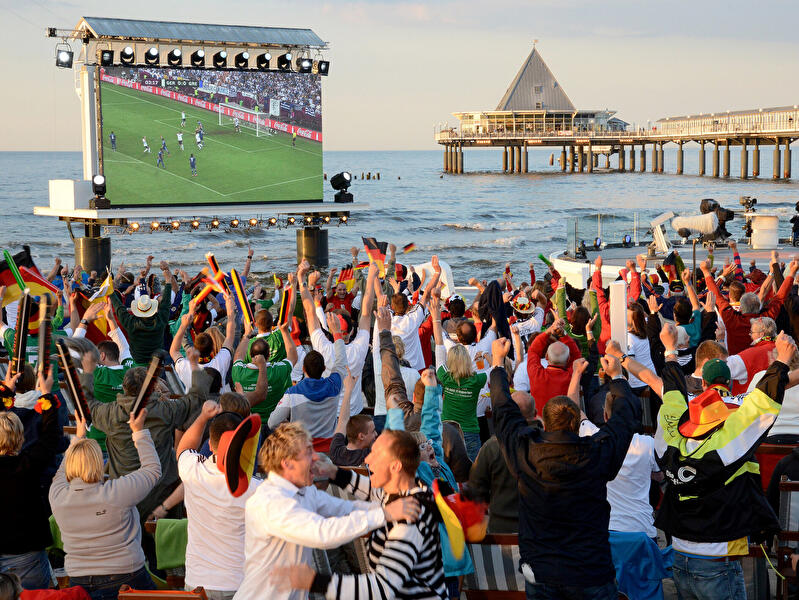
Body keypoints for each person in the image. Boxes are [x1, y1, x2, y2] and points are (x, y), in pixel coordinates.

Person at [492, 336, 640, 600]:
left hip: (543, 572)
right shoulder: (596, 453)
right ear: (576, 425)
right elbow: (624, 419)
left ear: (544, 424)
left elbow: (504, 411)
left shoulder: (526, 452)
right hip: (590, 572)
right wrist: (617, 378)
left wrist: (497, 363)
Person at [656, 323, 794, 600]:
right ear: (728, 385)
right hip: (717, 559)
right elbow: (761, 406)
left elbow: (671, 396)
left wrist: (670, 351)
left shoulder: (670, 436)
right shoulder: (727, 441)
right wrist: (781, 361)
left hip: (679, 556)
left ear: (702, 385)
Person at [232, 421, 420, 600]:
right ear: (287, 463)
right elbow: (322, 533)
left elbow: (347, 508)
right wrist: (385, 514)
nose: (315, 457)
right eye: (308, 452)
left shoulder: (304, 492)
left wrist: (393, 508)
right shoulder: (270, 502)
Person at [49, 408, 159, 600]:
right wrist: (138, 432)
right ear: (99, 463)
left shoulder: (57, 494)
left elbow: (62, 470)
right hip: (126, 576)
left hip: (79, 580)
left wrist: (78, 437)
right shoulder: (117, 493)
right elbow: (152, 470)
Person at [176, 402, 260, 599]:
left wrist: (203, 415)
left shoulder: (192, 470)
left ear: (211, 445)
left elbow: (185, 447)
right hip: (239, 583)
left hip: (197, 583)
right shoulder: (255, 488)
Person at [0, 370, 61, 590]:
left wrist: (5, 391)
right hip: (26, 553)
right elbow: (51, 436)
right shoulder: (27, 465)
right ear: (20, 437)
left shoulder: (27, 464)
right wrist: (45, 394)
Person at [300, 260, 375, 416]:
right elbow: (366, 312)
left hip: (330, 413)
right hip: (353, 411)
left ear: (331, 328)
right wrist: (372, 277)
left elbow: (310, 312)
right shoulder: (359, 348)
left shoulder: (323, 348)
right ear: (352, 331)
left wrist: (303, 280)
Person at [267, 323, 347, 451]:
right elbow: (341, 361)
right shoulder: (334, 385)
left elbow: (272, 423)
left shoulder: (292, 393)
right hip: (328, 451)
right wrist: (337, 334)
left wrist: (289, 428)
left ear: (303, 368)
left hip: (300, 450)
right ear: (324, 369)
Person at [469, 389, 536, 533]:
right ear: (535, 413)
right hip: (537, 529)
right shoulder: (547, 444)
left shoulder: (492, 446)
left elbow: (475, 489)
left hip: (501, 531)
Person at [109, 261, 174, 365]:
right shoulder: (160, 320)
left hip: (137, 365)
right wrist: (168, 281)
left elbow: (119, 307)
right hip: (157, 366)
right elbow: (166, 303)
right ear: (152, 308)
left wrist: (111, 292)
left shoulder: (131, 322)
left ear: (138, 310)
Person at [328, 373, 375, 467]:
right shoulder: (370, 455)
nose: (376, 434)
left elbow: (342, 421)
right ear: (361, 436)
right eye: (373, 431)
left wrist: (348, 390)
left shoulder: (336, 452)